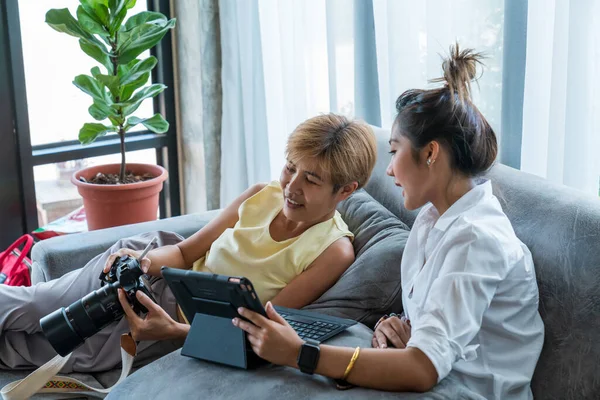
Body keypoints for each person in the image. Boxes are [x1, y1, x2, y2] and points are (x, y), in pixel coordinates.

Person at [234, 44, 545, 400]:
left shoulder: (476, 239)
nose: (388, 169)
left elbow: (423, 368)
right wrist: (395, 326)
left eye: (395, 152)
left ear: (430, 154)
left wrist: (299, 353)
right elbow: (440, 329)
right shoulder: (432, 221)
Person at [0, 113, 377, 372]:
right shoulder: (261, 195)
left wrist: (173, 332)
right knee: (37, 305)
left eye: (310, 180)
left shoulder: (333, 252)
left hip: (175, 323)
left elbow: (260, 330)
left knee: (40, 352)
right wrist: (140, 262)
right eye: (290, 167)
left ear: (345, 190)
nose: (290, 187)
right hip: (156, 269)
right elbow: (184, 251)